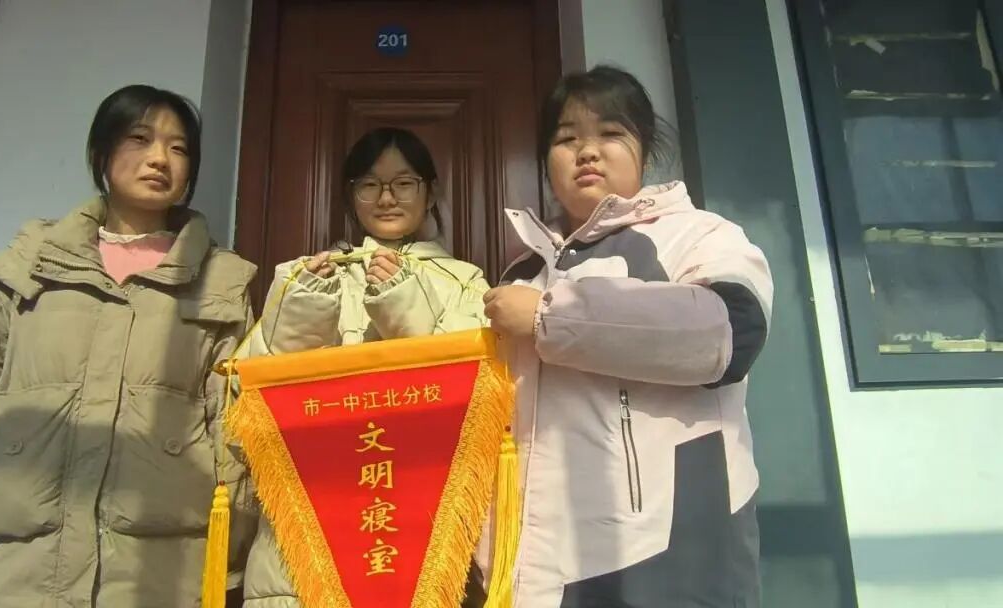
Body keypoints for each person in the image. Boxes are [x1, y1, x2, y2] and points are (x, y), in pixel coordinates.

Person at [0, 85, 257, 607]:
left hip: (155, 578)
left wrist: (228, 568)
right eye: (139, 139)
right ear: (101, 152)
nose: (159, 158)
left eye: (178, 148)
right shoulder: (30, 265)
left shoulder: (221, 283)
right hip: (4, 575)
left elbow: (234, 437)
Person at [482, 65, 773, 607]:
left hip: (664, 551)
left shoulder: (699, 235)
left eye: (611, 133)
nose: (587, 152)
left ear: (645, 149)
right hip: (533, 563)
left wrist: (549, 317)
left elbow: (730, 333)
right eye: (566, 139)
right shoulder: (522, 271)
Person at [242, 127, 489, 607]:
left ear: (431, 192)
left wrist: (403, 308)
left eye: (404, 183)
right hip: (309, 524)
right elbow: (249, 409)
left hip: (417, 516)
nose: (387, 198)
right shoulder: (302, 277)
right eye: (370, 185)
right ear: (350, 195)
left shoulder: (466, 282)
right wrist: (304, 316)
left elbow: (471, 402)